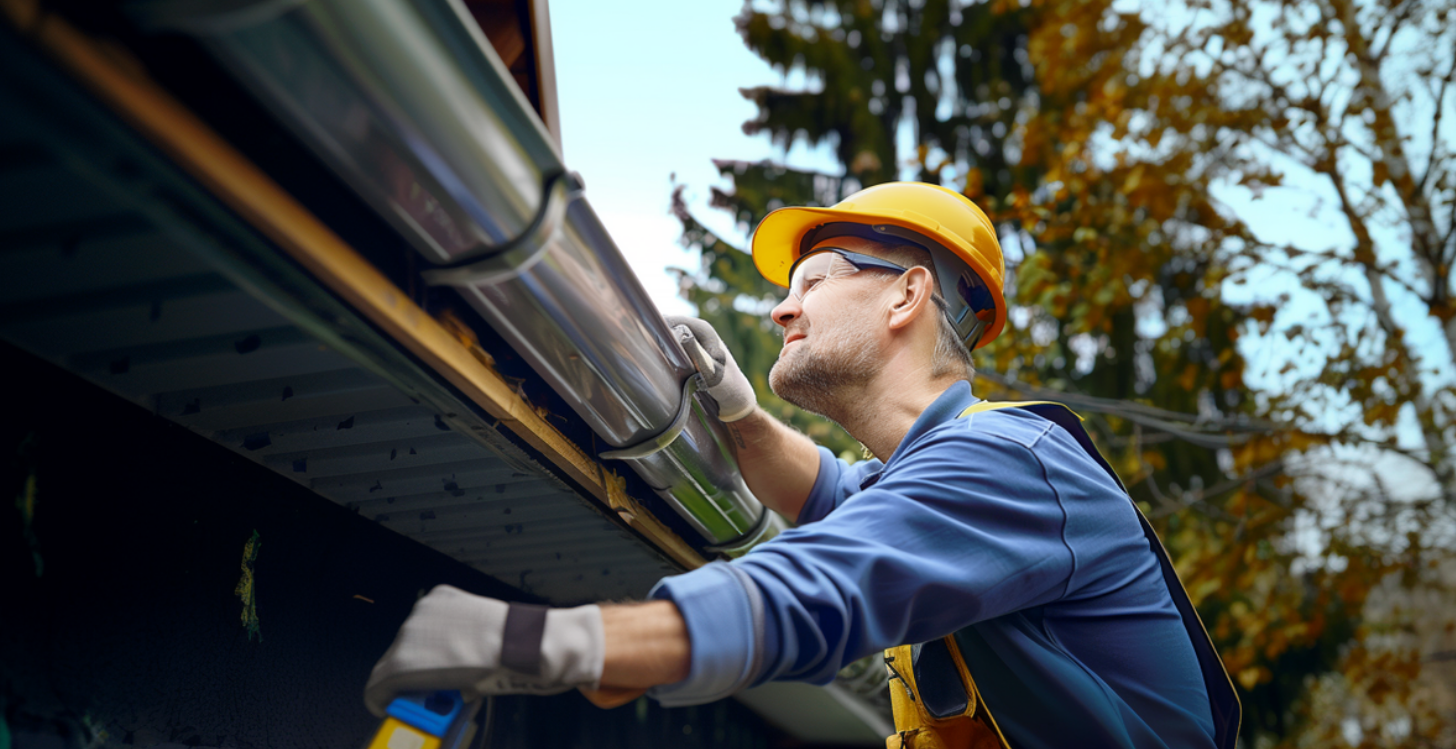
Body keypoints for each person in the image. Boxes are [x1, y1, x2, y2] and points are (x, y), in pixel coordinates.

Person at [363, 182, 1239, 749]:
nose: (782, 309)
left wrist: (530, 641)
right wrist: (741, 416)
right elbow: (828, 496)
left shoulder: (1010, 464)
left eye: (814, 281)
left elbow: (817, 586)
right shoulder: (933, 478)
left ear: (906, 293)